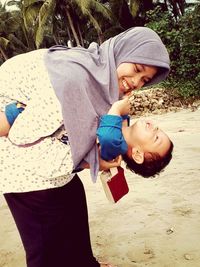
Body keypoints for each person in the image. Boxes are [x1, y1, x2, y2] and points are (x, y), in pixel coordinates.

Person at [0, 26, 171, 267]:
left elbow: (82, 131)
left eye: (144, 80)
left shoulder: (100, 77)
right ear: (120, 52)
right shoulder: (74, 80)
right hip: (17, 158)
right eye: (137, 69)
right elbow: (21, 136)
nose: (135, 83)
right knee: (45, 242)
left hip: (34, 131)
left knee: (72, 199)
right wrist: (86, 160)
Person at [97, 97, 173, 178]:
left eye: (156, 138)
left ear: (137, 154)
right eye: (159, 129)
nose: (155, 127)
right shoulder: (122, 121)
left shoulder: (115, 147)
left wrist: (117, 108)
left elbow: (107, 137)